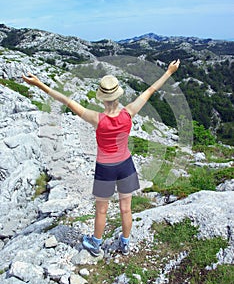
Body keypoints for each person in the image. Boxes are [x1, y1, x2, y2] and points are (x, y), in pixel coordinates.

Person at [22, 59, 180, 256]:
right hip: (126, 165)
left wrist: (39, 84)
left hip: (105, 168)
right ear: (118, 95)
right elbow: (150, 91)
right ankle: (125, 243)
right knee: (126, 209)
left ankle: (96, 244)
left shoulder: (96, 118)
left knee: (102, 210)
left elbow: (66, 101)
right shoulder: (129, 112)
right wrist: (169, 72)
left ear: (102, 98)